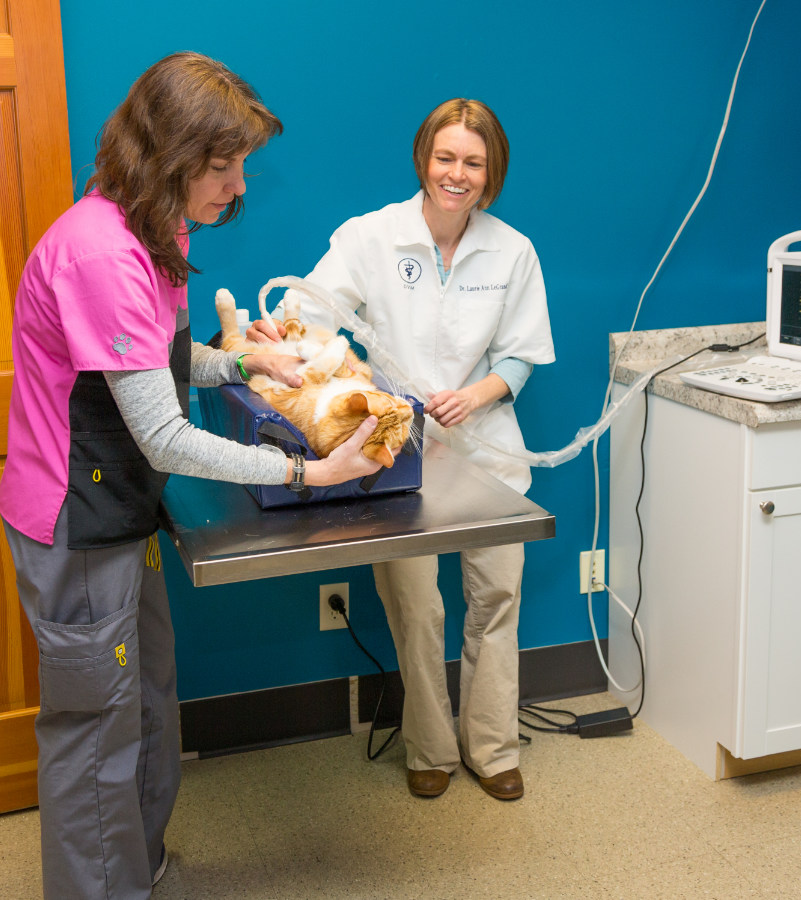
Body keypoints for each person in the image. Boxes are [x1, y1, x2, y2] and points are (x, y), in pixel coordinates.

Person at [0, 52, 381, 900]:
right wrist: (307, 472)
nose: (238, 185)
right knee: (96, 733)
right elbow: (164, 433)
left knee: (142, 704)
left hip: (120, 502)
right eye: (222, 164)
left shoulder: (156, 228)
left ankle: (140, 869)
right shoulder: (101, 251)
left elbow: (157, 360)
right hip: (75, 516)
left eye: (241, 162)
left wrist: (245, 366)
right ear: (168, 154)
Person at [251, 98, 555, 800]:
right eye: (445, 158)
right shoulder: (371, 238)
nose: (457, 174)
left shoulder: (511, 250)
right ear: (423, 159)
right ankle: (429, 747)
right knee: (415, 608)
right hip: (397, 452)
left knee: (497, 596)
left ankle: (493, 746)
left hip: (487, 449)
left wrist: (476, 395)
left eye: (473, 163)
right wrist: (289, 342)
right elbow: (308, 311)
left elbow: (520, 357)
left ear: (491, 172)